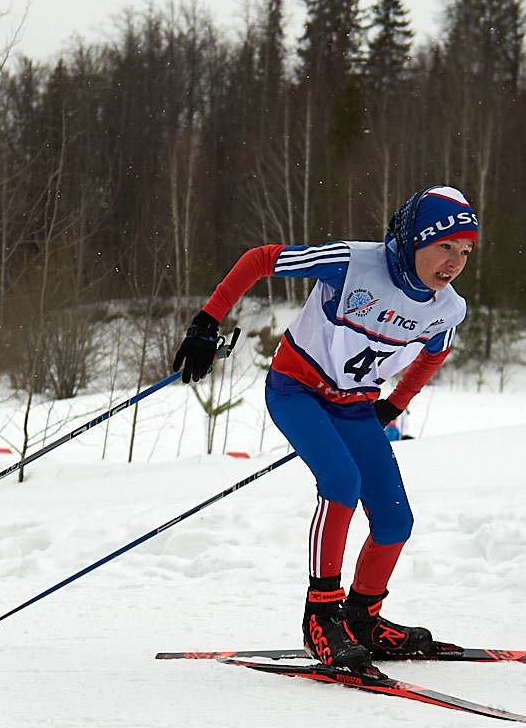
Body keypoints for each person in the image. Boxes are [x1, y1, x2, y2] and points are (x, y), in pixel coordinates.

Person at [174, 186, 477, 668]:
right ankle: (322, 617)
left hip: (355, 404)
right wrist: (207, 321)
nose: (455, 261)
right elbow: (260, 260)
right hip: (297, 388)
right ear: (415, 239)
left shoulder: (447, 308)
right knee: (341, 482)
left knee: (396, 520)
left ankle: (363, 620)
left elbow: (434, 354)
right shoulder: (354, 263)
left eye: (465, 251)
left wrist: (394, 406)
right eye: (444, 246)